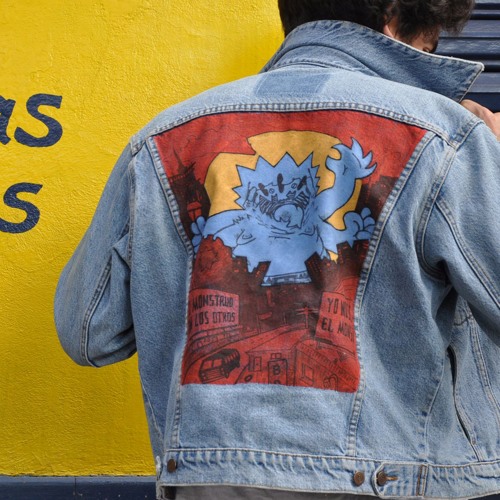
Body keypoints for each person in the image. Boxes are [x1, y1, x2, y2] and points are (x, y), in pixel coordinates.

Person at [54, 1, 500, 499]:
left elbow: (88, 333)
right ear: (396, 17)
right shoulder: (448, 138)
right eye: (429, 43)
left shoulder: (163, 139)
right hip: (396, 481)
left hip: (214, 481)